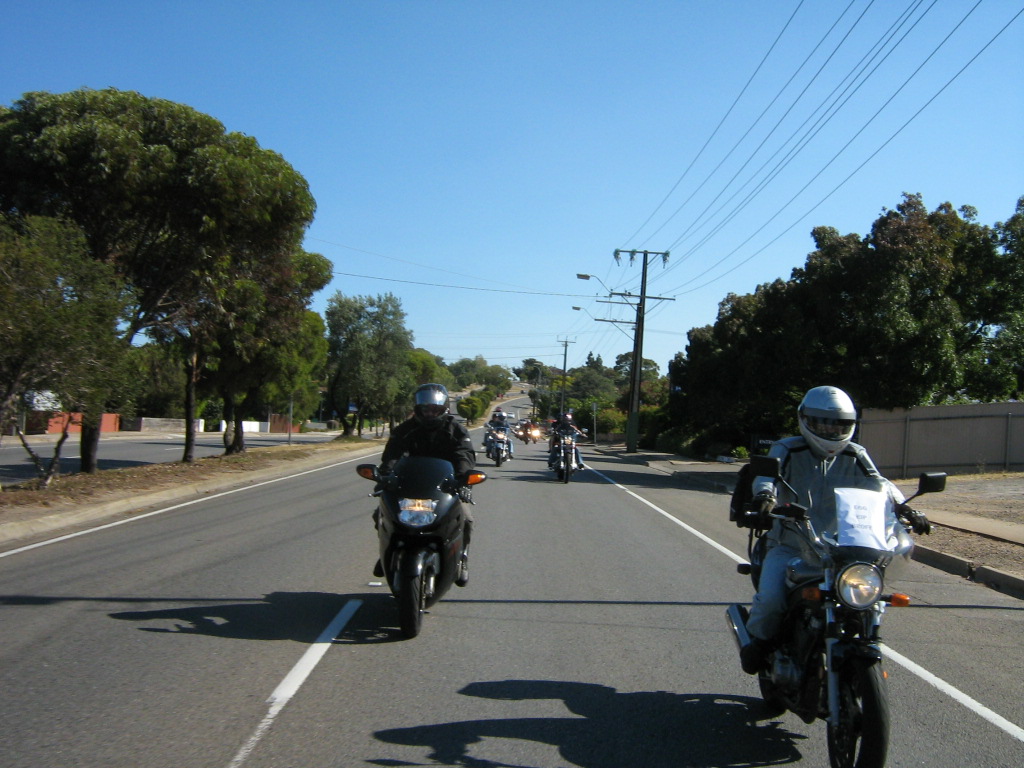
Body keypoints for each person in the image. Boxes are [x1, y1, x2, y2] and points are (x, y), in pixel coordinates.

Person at [739, 385, 930, 674]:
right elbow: (766, 476)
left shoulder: (855, 453)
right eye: (822, 423)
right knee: (772, 600)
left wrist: (905, 508)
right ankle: (759, 644)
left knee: (866, 599)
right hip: (791, 544)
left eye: (839, 424)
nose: (830, 430)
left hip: (840, 548)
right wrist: (765, 496)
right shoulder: (788, 448)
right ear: (805, 419)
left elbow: (880, 483)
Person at [374, 383, 477, 586]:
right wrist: (385, 476)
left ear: (443, 408)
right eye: (425, 409)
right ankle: (386, 550)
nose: (430, 413)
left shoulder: (456, 430)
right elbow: (392, 455)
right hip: (410, 486)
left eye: (434, 409)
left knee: (466, 518)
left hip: (445, 487)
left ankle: (462, 558)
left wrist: (463, 479)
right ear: (418, 408)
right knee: (381, 513)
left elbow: (464, 455)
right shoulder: (405, 430)